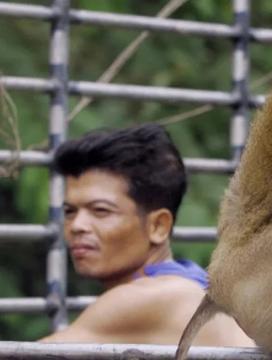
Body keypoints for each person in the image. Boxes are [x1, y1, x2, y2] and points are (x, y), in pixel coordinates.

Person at [40, 124, 254, 347]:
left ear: (158, 226)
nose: (77, 225)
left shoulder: (154, 298)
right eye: (69, 212)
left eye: (100, 211)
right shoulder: (188, 281)